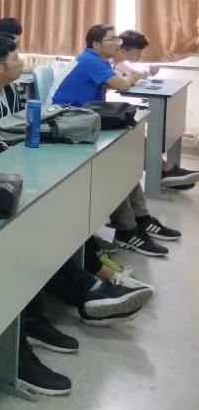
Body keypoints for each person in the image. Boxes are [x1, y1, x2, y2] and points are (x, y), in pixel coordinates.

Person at [52, 25, 183, 250]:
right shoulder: (90, 60)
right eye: (112, 39)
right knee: (116, 162)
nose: (118, 44)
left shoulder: (100, 61)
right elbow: (122, 83)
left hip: (84, 120)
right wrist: (139, 74)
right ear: (96, 44)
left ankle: (141, 218)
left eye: (118, 40)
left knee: (125, 152)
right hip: (67, 125)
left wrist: (133, 75)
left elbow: (116, 82)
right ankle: (126, 228)